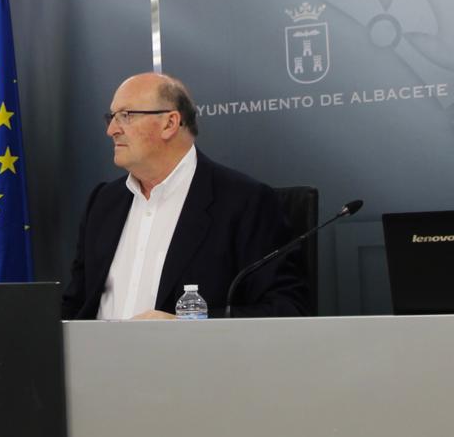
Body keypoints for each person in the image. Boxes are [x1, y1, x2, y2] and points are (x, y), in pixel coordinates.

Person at [62, 72, 308, 319]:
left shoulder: (244, 202)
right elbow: (75, 305)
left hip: (191, 356)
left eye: (126, 116)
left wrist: (185, 327)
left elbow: (285, 308)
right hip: (96, 355)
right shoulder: (103, 202)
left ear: (170, 123)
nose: (112, 130)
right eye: (111, 117)